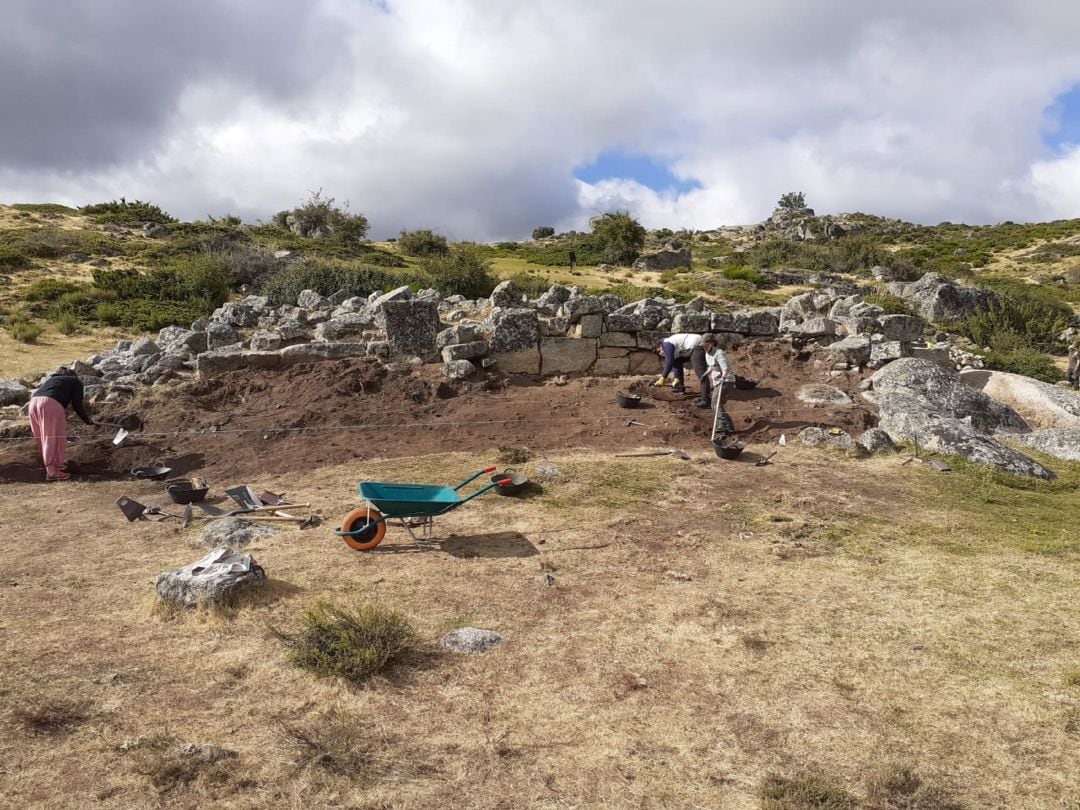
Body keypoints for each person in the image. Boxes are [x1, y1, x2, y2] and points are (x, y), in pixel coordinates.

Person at [28, 367, 94, 481]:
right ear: (74, 376)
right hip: (50, 404)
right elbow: (77, 404)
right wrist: (86, 420)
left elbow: (55, 395)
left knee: (42, 436)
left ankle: (55, 465)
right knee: (53, 437)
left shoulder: (52, 380)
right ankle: (52, 472)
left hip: (33, 403)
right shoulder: (75, 382)